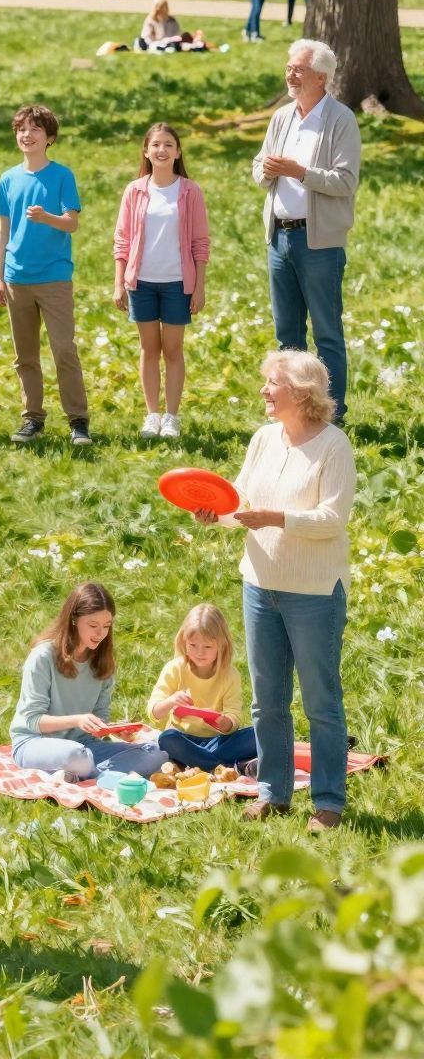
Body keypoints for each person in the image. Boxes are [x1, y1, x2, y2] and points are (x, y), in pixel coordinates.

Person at [196, 351, 356, 831]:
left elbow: (332, 519)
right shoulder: (264, 438)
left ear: (301, 393)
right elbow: (241, 503)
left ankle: (329, 801)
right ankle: (273, 792)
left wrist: (276, 518)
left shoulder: (334, 446)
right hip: (260, 586)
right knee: (267, 701)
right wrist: (215, 514)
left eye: (273, 383)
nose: (264, 390)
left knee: (320, 702)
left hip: (314, 593)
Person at [252, 39, 361, 423]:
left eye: (298, 69)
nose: (290, 75)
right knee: (288, 335)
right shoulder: (282, 117)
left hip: (319, 243)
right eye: (289, 68)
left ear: (321, 77)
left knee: (327, 333)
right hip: (279, 238)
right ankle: (292, 414)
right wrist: (266, 171)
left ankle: (332, 416)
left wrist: (299, 172)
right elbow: (259, 166)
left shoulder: (340, 119)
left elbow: (345, 181)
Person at [0, 103, 91, 447]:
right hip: (16, 278)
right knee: (25, 355)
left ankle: (78, 420)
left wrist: (46, 217)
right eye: (21, 129)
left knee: (63, 349)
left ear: (49, 138)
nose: (27, 135)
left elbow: (72, 223)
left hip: (54, 278)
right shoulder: (8, 178)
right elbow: (2, 231)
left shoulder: (62, 176)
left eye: (35, 129)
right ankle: (32, 418)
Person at [10, 581, 167, 782]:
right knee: (77, 757)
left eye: (106, 626)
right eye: (93, 625)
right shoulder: (43, 657)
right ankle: (103, 775)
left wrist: (115, 730)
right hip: (36, 743)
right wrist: (77, 720)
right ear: (74, 620)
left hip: (85, 746)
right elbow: (32, 720)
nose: (100, 633)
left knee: (156, 752)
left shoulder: (102, 662)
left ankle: (86, 776)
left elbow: (100, 719)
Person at [112, 122, 210, 439]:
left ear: (178, 152)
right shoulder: (135, 190)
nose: (162, 150)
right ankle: (152, 415)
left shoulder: (190, 191)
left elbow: (200, 243)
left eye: (168, 144)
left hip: (177, 284)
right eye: (155, 145)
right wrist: (119, 283)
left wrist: (199, 286)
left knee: (173, 350)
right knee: (149, 349)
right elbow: (122, 239)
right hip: (141, 283)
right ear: (146, 151)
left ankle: (171, 417)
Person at [147, 604, 257, 774]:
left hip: (218, 740)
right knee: (167, 739)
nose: (200, 652)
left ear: (221, 645)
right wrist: (171, 701)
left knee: (257, 734)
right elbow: (153, 712)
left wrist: (223, 722)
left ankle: (202, 763)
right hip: (183, 738)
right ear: (183, 641)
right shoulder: (175, 668)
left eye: (207, 647)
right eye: (193, 645)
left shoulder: (230, 675)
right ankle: (227, 768)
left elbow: (234, 718)